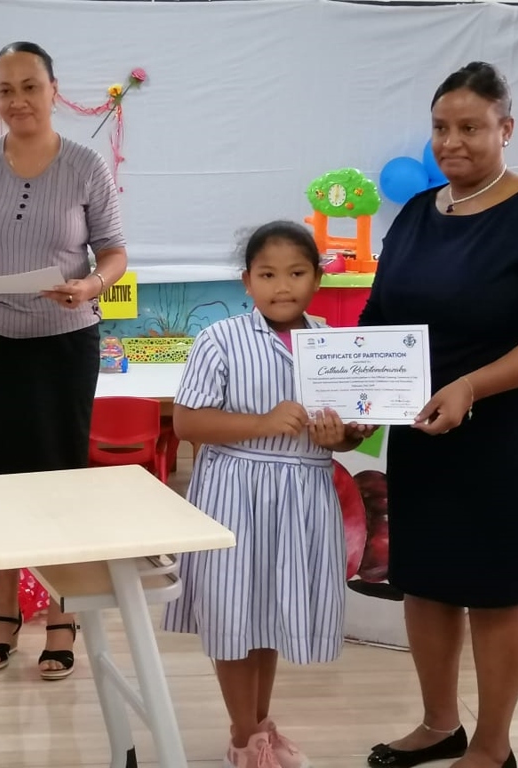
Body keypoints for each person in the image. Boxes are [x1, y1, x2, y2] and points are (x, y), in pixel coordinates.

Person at [360, 62, 518, 768]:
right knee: (426, 583)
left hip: (505, 439)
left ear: (505, 128)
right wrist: (356, 400)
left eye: (470, 127)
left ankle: (492, 747)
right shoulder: (416, 213)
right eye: (440, 128)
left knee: (494, 593)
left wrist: (471, 386)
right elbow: (379, 316)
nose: (451, 142)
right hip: (423, 434)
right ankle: (440, 726)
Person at [0, 41, 128, 680]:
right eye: (5, 89)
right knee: (0, 479)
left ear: (53, 90)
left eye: (30, 87)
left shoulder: (86, 165)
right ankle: (7, 612)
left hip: (66, 342)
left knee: (62, 477)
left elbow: (114, 251)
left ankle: (64, 615)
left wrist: (90, 285)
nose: (17, 101)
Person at [163, 221, 376, 768]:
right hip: (234, 492)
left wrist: (344, 435)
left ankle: (258, 728)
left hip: (302, 495)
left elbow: (354, 433)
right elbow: (187, 423)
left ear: (318, 279)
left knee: (270, 613)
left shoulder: (333, 344)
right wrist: (261, 422)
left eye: (297, 273)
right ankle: (244, 738)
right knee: (234, 613)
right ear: (247, 281)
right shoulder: (220, 339)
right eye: (267, 274)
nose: (282, 286)